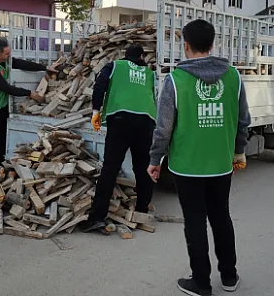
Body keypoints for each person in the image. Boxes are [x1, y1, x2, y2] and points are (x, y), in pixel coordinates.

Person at [147, 19, 251, 296]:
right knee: (221, 217)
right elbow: (243, 121)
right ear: (212, 44)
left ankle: (201, 283)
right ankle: (229, 276)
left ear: (186, 46)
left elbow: (164, 127)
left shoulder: (175, 80)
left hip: (187, 166)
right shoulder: (234, 77)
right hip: (221, 164)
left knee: (195, 222)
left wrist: (155, 160)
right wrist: (239, 151)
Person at [80, 44, 157, 233]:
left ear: (126, 56)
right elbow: (153, 96)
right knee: (143, 167)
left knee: (110, 168)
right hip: (146, 120)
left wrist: (96, 111)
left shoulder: (115, 66)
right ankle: (142, 210)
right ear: (141, 57)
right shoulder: (149, 73)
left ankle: (97, 217)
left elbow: (99, 85)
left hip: (121, 119)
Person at [0, 38, 51, 170]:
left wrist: (45, 68)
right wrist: (29, 93)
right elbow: (7, 88)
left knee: (2, 137)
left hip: (3, 105)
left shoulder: (6, 61)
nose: (9, 56)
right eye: (7, 54)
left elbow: (23, 64)